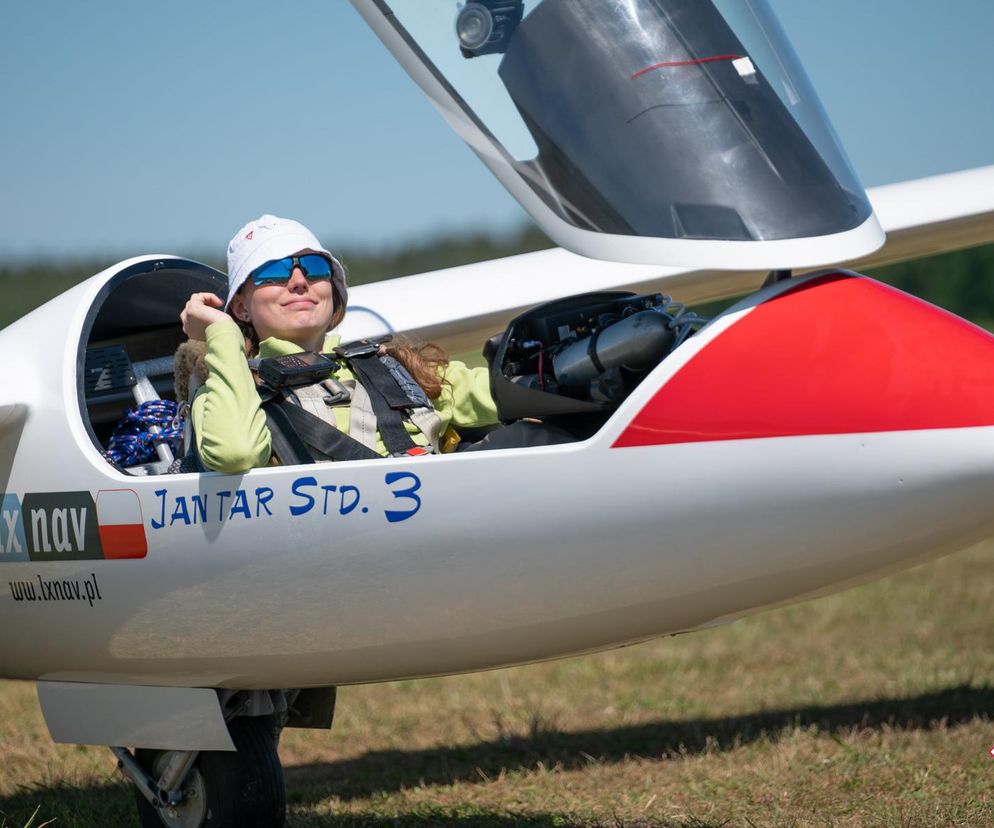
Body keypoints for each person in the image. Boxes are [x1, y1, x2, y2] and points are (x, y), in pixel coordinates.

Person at [180, 214, 503, 473]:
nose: (298, 281)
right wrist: (222, 330)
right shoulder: (225, 395)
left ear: (333, 292)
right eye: (273, 272)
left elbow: (511, 390)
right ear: (240, 307)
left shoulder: (405, 368)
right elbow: (236, 454)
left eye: (315, 267)